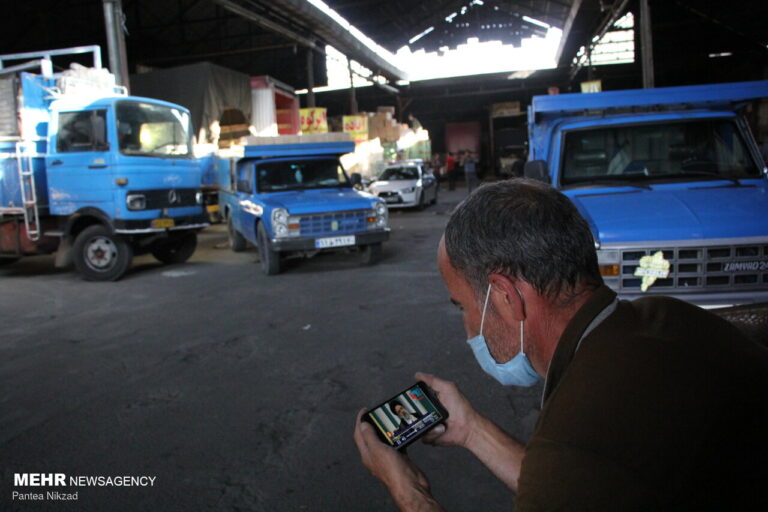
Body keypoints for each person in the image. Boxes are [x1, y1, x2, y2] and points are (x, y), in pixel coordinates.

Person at [354, 179, 768, 511]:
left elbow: (573, 470)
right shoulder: (669, 318)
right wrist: (471, 430)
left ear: (505, 297)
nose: (467, 329)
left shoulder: (582, 432)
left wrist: (407, 490)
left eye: (463, 306)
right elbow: (575, 486)